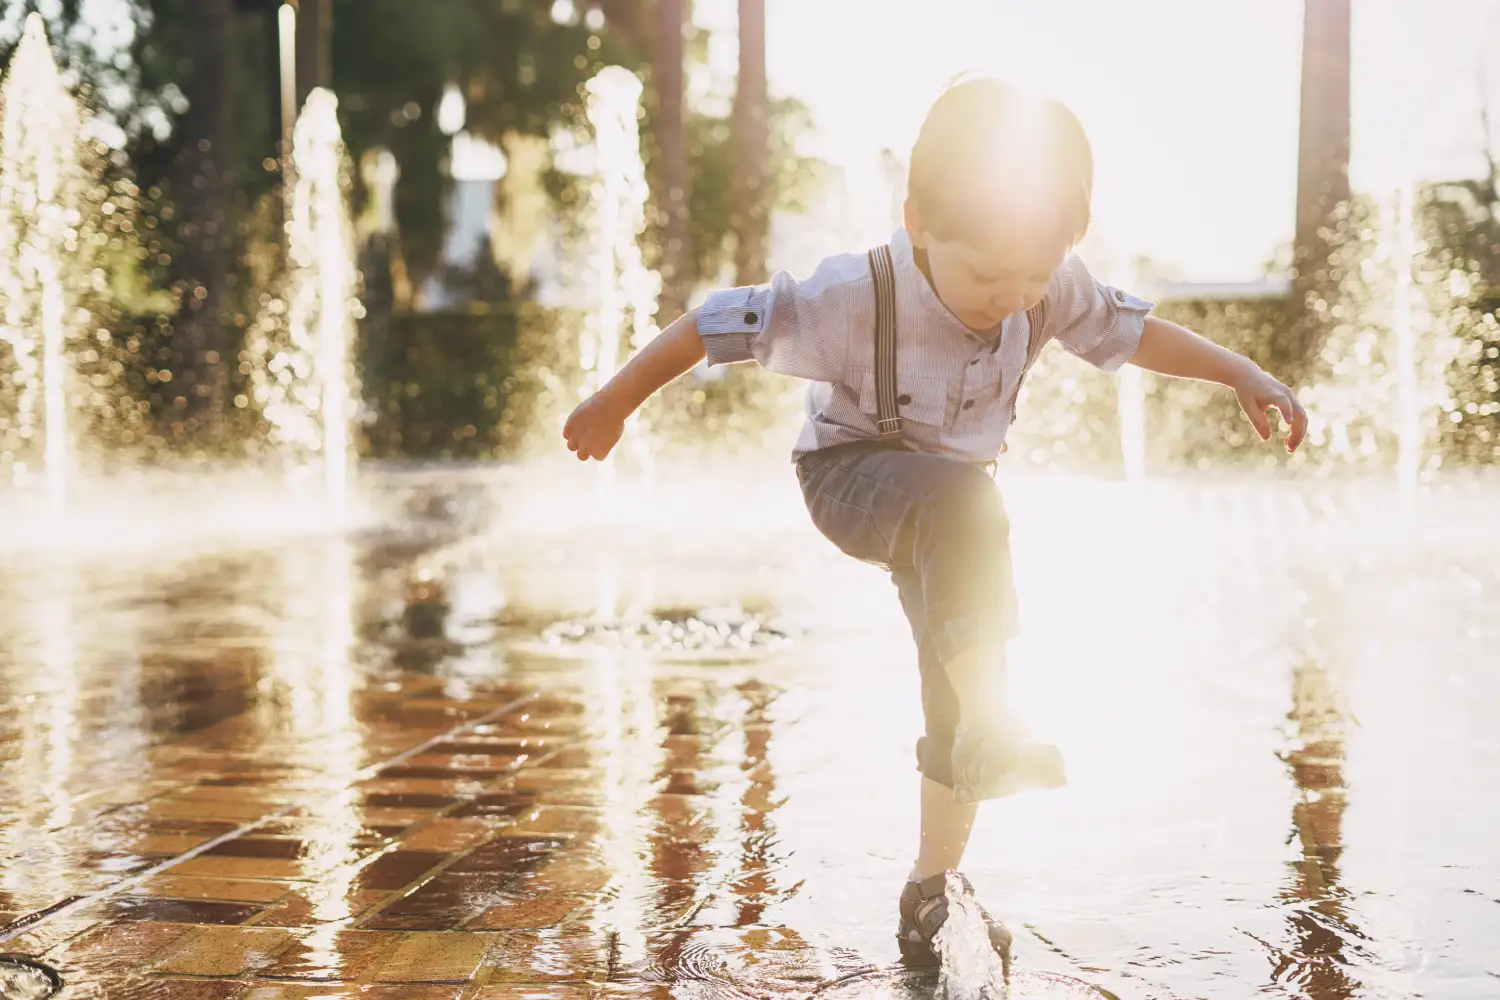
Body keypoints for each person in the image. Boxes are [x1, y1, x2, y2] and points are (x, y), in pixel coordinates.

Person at [562, 75, 1308, 972]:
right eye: (989, 272)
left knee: (953, 649)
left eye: (1033, 274)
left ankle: (930, 884)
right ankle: (993, 723)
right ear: (916, 220)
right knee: (967, 515)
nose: (1012, 294)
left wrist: (1243, 376)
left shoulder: (1045, 286)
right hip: (846, 478)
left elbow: (1132, 332)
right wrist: (613, 401)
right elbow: (709, 326)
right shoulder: (847, 294)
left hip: (954, 511)